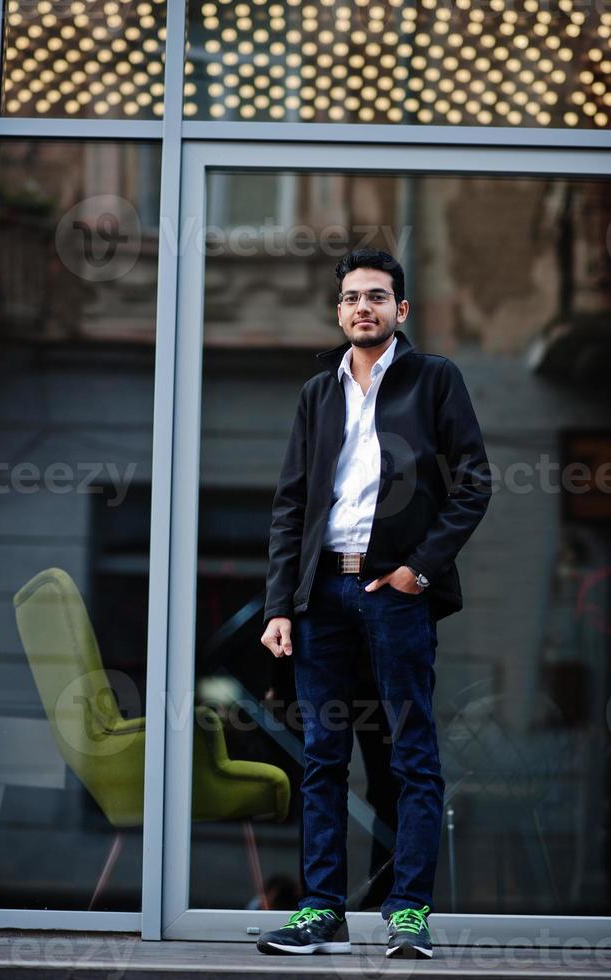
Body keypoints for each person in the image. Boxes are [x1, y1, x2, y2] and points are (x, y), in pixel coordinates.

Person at [257, 248, 492, 959]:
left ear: (401, 311)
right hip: (321, 593)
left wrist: (417, 572)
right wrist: (278, 605)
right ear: (339, 311)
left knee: (411, 753)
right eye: (353, 297)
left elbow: (474, 482)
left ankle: (410, 912)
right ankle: (320, 910)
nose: (364, 307)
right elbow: (292, 504)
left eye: (378, 297)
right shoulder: (317, 393)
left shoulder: (434, 381)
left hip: (392, 592)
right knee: (324, 756)